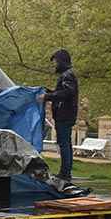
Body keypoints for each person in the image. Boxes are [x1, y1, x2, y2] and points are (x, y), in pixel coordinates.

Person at [40, 49, 80, 181]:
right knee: (64, 143)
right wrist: (49, 93)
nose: (55, 65)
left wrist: (47, 96)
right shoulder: (67, 75)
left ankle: (65, 173)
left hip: (64, 115)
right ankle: (65, 172)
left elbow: (67, 93)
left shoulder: (67, 75)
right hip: (65, 114)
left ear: (62, 61)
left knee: (64, 144)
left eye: (56, 62)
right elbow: (63, 92)